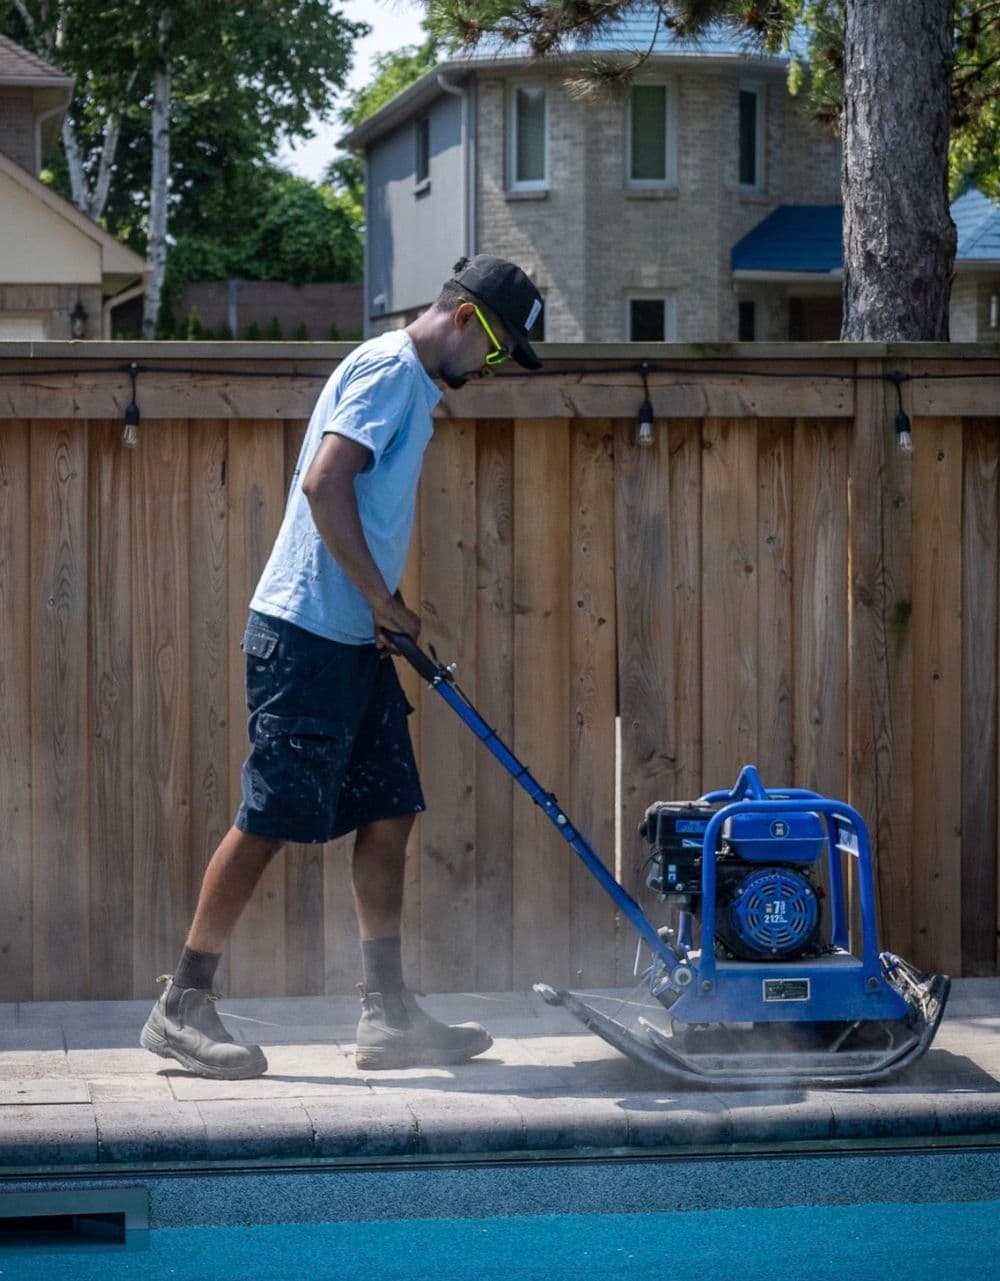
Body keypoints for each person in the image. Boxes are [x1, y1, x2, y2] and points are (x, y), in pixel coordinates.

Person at [140, 255, 544, 1080]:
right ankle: (182, 1003)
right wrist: (378, 599)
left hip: (352, 637)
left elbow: (354, 505)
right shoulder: (390, 370)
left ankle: (388, 1013)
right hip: (306, 636)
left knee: (388, 809)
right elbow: (326, 483)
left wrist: (381, 607)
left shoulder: (409, 384)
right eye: (498, 351)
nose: (494, 369)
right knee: (271, 818)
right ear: (468, 321)